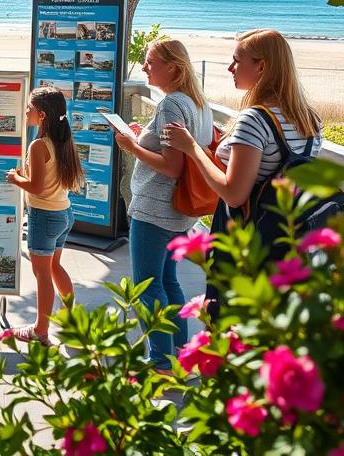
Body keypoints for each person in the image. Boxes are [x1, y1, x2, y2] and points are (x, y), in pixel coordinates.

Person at [165, 28, 322, 314]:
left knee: (230, 324)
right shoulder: (309, 119)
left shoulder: (255, 119)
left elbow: (234, 194)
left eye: (237, 60)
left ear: (261, 67)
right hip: (286, 239)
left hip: (246, 241)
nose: (230, 68)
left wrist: (192, 148)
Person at [112, 39, 213, 371]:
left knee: (147, 284)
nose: (144, 67)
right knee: (168, 280)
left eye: (150, 61)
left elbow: (171, 166)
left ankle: (159, 361)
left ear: (173, 67)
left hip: (156, 207)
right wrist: (145, 136)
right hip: (179, 211)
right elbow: (179, 151)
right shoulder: (199, 104)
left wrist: (131, 146)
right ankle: (182, 353)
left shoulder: (171, 104)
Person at [5, 86, 84, 345]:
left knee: (42, 274)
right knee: (54, 267)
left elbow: (36, 186)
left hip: (44, 216)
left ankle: (40, 330)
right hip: (63, 213)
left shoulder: (39, 145)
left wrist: (16, 179)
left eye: (29, 108)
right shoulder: (64, 141)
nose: (26, 111)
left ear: (41, 116)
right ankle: (71, 320)